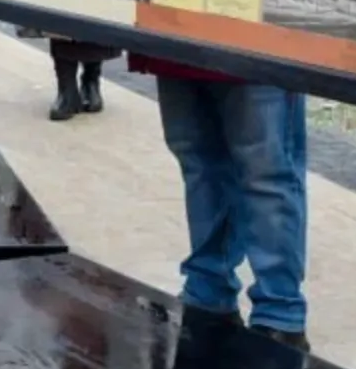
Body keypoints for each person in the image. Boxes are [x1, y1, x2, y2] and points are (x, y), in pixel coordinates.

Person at [127, 54, 311, 351]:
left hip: (257, 36)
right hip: (175, 36)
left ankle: (279, 313)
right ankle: (208, 291)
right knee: (198, 161)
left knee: (266, 171)